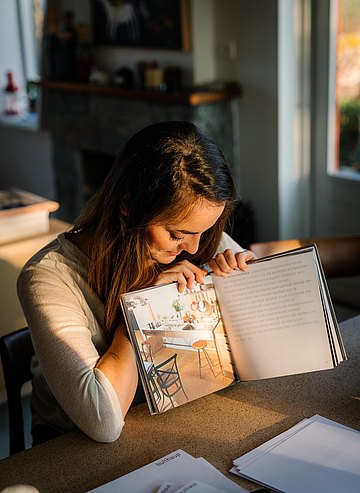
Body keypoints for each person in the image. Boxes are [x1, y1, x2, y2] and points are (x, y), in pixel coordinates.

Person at [17, 121, 255, 445]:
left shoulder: (199, 236)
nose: (195, 248)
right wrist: (142, 313)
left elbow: (262, 346)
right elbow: (103, 423)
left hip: (170, 421)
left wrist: (242, 282)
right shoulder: (49, 277)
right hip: (71, 445)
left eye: (206, 231)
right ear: (128, 206)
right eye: (176, 234)